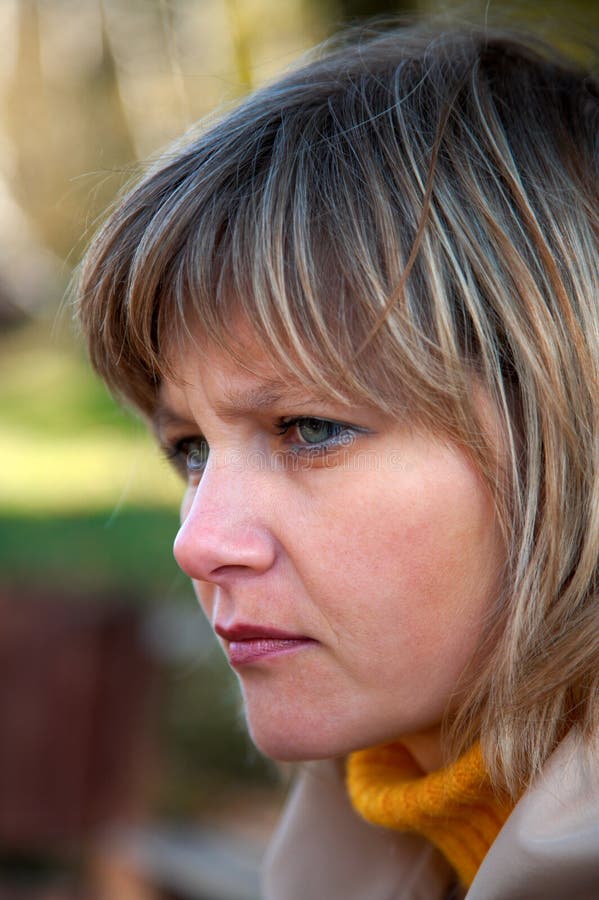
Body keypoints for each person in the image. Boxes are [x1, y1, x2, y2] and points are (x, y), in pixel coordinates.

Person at [76, 18, 598, 899]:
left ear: (571, 424)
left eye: (309, 428)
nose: (198, 544)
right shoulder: (382, 827)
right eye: (190, 448)